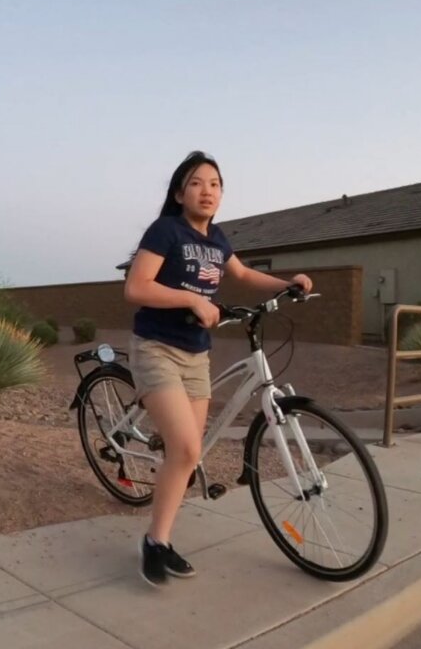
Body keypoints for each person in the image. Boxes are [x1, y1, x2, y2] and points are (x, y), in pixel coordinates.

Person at [123, 150, 313, 587]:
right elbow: (137, 287)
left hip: (196, 355)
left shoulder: (218, 240)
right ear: (179, 192)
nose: (207, 191)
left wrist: (288, 284)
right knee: (187, 449)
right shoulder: (166, 230)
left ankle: (159, 540)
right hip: (157, 349)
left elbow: (243, 276)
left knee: (189, 453)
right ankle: (154, 545)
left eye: (214, 184)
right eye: (196, 183)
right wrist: (192, 299)